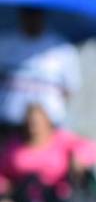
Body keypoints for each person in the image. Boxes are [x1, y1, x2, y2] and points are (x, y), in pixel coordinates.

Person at [0, 7, 81, 136]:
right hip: (9, 123)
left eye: (35, 15)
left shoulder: (62, 48)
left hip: (49, 125)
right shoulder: (5, 43)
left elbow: (69, 89)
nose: (32, 19)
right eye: (28, 15)